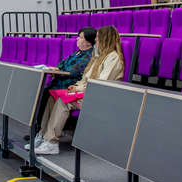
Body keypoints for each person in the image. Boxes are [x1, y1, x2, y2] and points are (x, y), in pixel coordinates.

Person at [33, 26, 125, 155]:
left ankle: (51, 142)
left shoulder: (113, 57)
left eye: (98, 37)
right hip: (89, 91)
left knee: (63, 101)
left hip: (101, 95)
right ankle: (43, 135)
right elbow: (86, 78)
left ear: (105, 39)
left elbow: (101, 83)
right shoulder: (98, 56)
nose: (96, 40)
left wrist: (79, 89)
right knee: (52, 97)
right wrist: (77, 87)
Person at [27, 27, 96, 150]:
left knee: (45, 95)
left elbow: (72, 72)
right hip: (59, 83)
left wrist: (56, 71)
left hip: (69, 85)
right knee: (43, 95)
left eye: (80, 37)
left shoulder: (88, 56)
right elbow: (61, 65)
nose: (77, 39)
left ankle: (46, 135)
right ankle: (42, 133)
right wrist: (55, 70)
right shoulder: (77, 52)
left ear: (88, 42)